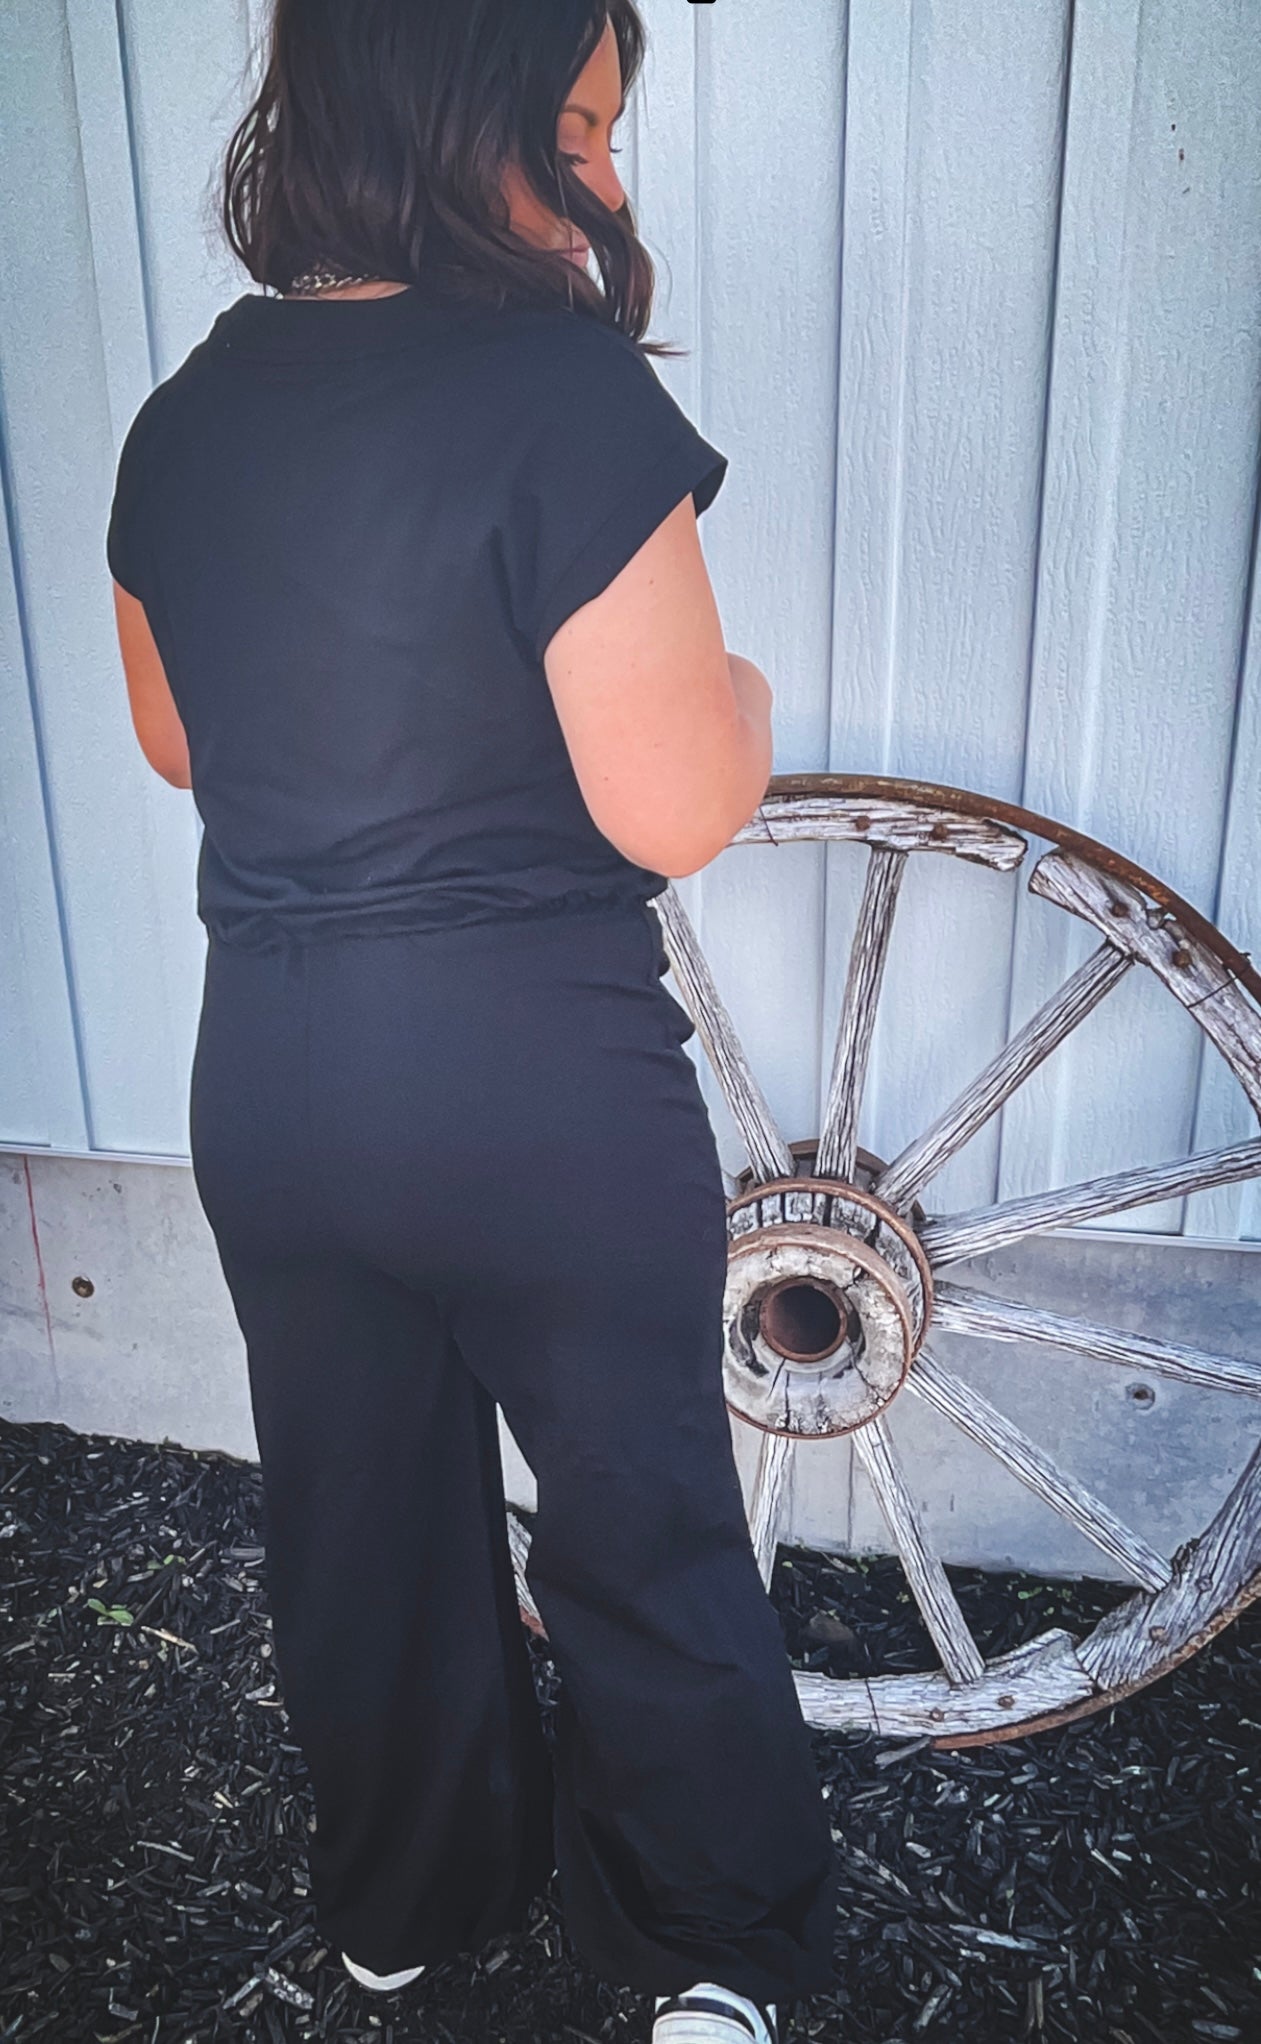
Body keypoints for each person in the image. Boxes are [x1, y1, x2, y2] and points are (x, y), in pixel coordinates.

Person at [106, 4, 839, 2039]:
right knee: (634, 1515)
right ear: (460, 111)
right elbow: (675, 803)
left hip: (274, 1081)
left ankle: (407, 1896)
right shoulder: (557, 393)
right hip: (534, 1091)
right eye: (581, 125)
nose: (606, 176)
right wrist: (746, 696)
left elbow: (180, 744)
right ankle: (705, 1946)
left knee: (358, 1515)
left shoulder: (184, 419)